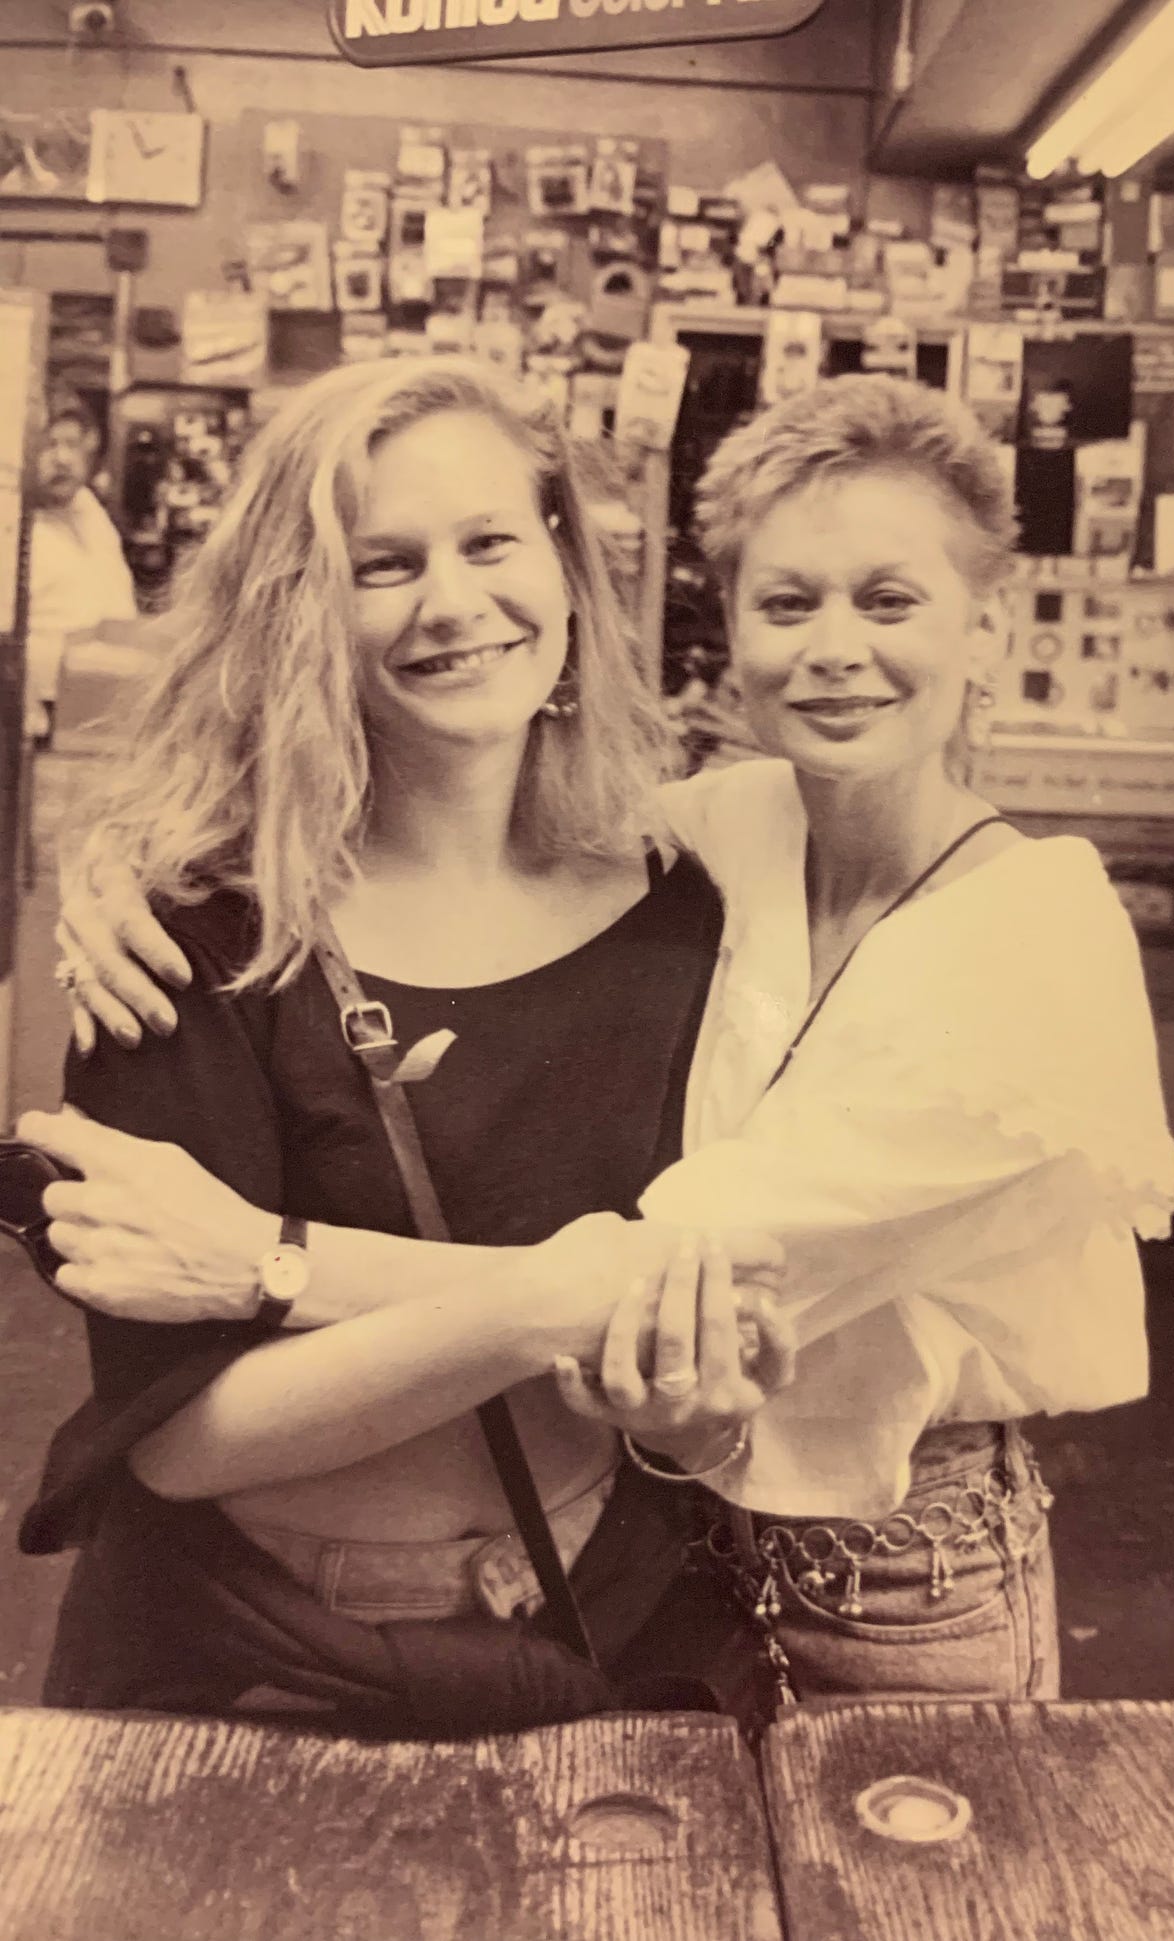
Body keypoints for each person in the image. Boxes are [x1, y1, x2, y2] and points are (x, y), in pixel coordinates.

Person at [25, 373, 1174, 1715]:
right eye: (788, 602)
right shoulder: (717, 845)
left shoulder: (984, 933)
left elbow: (661, 1286)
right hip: (493, 1600)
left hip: (872, 1581)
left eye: (891, 598)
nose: (835, 648)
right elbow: (170, 1432)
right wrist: (112, 856)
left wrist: (263, 1262)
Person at [15, 353, 792, 1737]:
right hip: (251, 1669)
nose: (456, 603)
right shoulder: (189, 942)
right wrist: (547, 1301)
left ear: (563, 561)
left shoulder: (686, 917)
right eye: (383, 564)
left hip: (604, 1632)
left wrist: (687, 1405)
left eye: (491, 541)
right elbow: (184, 1439)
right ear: (300, 608)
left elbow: (697, 1367)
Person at [26, 390, 137, 740]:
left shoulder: (87, 508)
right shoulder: (10, 523)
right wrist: (25, 709)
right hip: (37, 715)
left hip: (104, 702)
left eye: (72, 444)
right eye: (48, 445)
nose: (63, 459)